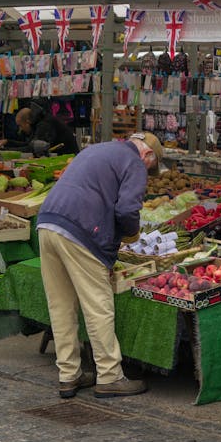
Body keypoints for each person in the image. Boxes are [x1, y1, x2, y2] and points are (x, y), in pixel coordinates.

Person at [34, 132, 161, 399]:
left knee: (60, 305)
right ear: (148, 155)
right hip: (82, 231)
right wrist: (130, 234)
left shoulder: (99, 149)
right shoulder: (135, 162)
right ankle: (110, 376)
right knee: (98, 306)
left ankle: (69, 375)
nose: (148, 173)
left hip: (47, 223)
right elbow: (127, 210)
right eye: (152, 167)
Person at [2, 100, 78, 156]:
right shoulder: (39, 121)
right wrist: (7, 142)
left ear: (28, 122)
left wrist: (3, 151)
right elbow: (29, 145)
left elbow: (34, 149)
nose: (20, 130)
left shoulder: (44, 125)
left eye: (20, 126)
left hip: (68, 160)